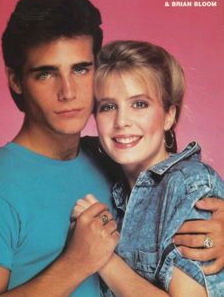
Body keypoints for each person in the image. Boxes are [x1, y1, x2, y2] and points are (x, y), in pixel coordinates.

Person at [0, 0, 223, 297]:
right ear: (16, 80)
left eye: (81, 69)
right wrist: (77, 261)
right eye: (46, 74)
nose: (68, 92)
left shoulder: (110, 160)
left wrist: (214, 230)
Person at [72, 40, 224, 296]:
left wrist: (102, 256)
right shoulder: (103, 172)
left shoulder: (189, 185)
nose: (122, 121)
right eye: (108, 107)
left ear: (169, 116)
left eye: (139, 104)